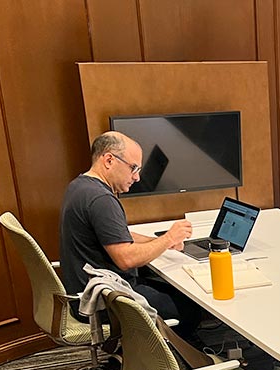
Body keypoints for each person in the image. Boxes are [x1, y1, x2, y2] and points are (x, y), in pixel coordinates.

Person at [59, 131, 204, 336]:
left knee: (171, 290)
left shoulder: (80, 186)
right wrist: (169, 238)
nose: (137, 177)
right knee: (189, 309)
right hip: (103, 301)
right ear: (109, 160)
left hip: (87, 292)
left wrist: (160, 242)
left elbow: (118, 235)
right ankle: (163, 355)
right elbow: (126, 259)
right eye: (133, 168)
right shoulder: (101, 200)